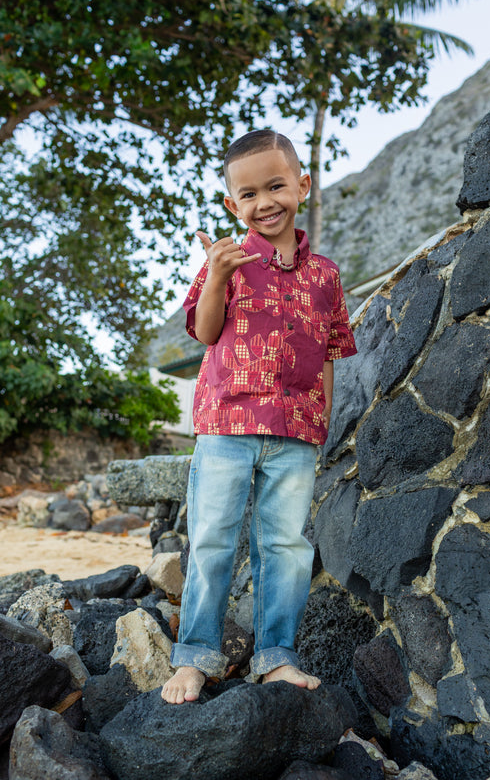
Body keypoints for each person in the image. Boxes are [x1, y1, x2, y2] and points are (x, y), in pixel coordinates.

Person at [161, 130, 357, 704]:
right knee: (212, 539)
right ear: (232, 205)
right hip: (226, 425)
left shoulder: (326, 276)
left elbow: (328, 352)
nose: (264, 202)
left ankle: (277, 658)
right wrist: (218, 274)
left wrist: (321, 421)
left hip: (296, 432)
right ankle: (194, 657)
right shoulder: (225, 262)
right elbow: (204, 332)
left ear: (302, 185)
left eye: (276, 186)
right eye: (248, 194)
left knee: (286, 547)